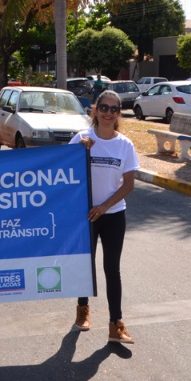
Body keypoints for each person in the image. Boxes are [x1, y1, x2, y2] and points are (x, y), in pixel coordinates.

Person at [69, 89, 139, 344]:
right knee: (85, 265)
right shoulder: (81, 138)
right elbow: (67, 174)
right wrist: (81, 153)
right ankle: (82, 309)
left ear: (119, 113)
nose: (108, 113)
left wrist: (104, 206)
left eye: (114, 109)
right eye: (104, 107)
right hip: (85, 215)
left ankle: (115, 324)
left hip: (113, 215)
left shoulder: (125, 145)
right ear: (96, 109)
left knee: (112, 269)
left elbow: (128, 185)